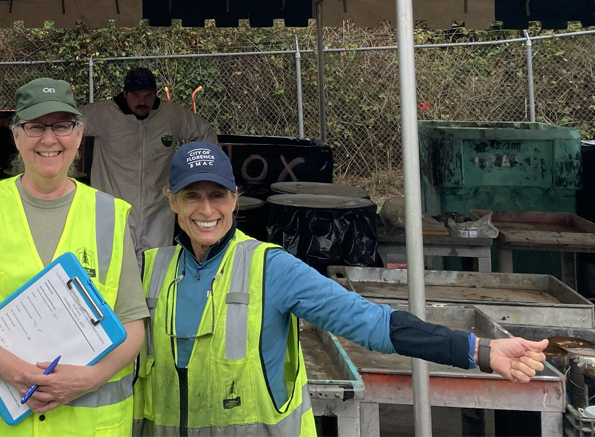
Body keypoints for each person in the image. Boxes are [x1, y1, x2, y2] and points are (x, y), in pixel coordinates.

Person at [135, 141, 550, 436]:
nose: (206, 210)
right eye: (192, 196)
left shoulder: (269, 268)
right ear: (171, 201)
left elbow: (371, 323)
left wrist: (479, 350)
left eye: (217, 195)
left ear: (235, 199)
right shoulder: (149, 271)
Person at [0, 77, 147, 435]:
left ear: (79, 132)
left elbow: (133, 324)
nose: (49, 139)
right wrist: (18, 375)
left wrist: (90, 378)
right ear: (16, 136)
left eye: (62, 125)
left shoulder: (110, 215)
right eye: (36, 126)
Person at [82, 67, 217, 253]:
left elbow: (205, 132)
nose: (142, 102)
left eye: (148, 95)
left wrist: (198, 176)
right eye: (136, 95)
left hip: (158, 212)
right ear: (124, 92)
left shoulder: (170, 115)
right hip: (113, 211)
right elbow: (65, 126)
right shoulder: (103, 113)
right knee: (116, 270)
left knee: (156, 270)